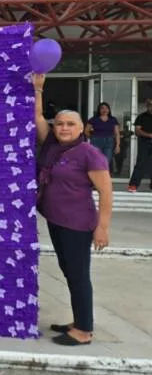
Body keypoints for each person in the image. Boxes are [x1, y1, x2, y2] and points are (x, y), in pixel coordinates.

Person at [33, 74, 112, 346]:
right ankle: (78, 320)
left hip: (77, 224)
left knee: (78, 275)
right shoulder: (53, 145)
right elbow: (38, 117)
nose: (64, 128)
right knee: (69, 271)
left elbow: (106, 192)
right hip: (56, 220)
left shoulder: (90, 154)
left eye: (70, 124)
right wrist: (38, 89)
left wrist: (102, 227)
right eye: (60, 124)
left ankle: (84, 330)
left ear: (82, 129)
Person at [85, 102, 121, 170]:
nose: (104, 110)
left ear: (109, 110)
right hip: (96, 141)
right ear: (99, 110)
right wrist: (92, 137)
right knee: (96, 160)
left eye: (106, 108)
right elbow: (86, 131)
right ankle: (95, 175)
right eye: (102, 108)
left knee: (106, 161)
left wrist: (118, 145)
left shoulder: (113, 119)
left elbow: (117, 133)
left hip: (109, 142)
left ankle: (103, 176)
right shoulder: (94, 119)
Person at [128, 98, 152, 192]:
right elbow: (137, 131)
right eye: (150, 105)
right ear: (147, 106)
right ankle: (133, 185)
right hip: (144, 142)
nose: (151, 107)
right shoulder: (141, 117)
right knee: (141, 163)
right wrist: (149, 135)